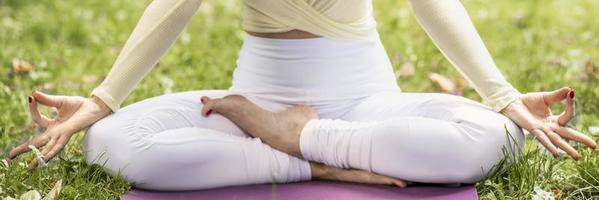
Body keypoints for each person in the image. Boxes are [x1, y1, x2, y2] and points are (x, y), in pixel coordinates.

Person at [7, 0, 596, 190]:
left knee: (498, 140)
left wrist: (503, 96)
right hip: (256, 104)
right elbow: (173, 6)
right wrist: (102, 103)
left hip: (365, 100)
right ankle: (308, 158)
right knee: (109, 144)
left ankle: (306, 140)